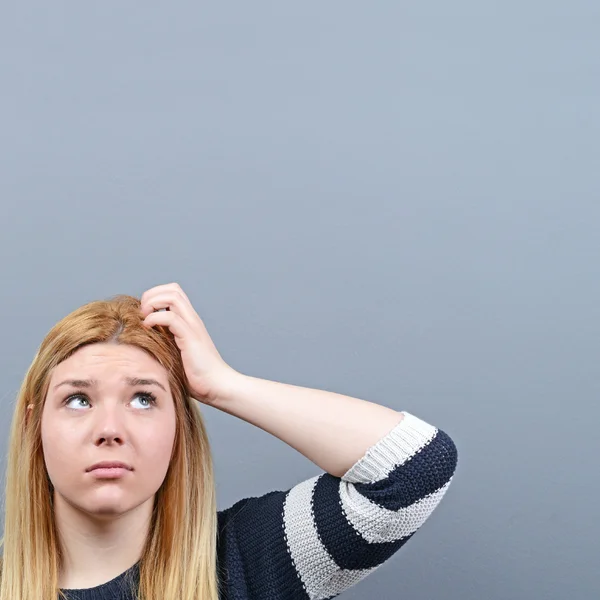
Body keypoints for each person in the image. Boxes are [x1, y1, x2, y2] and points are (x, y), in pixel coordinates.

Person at [0, 282, 458, 600]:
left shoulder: (246, 561)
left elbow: (413, 468)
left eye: (143, 399)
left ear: (179, 427)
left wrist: (221, 385)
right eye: (78, 400)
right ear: (34, 427)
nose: (110, 429)